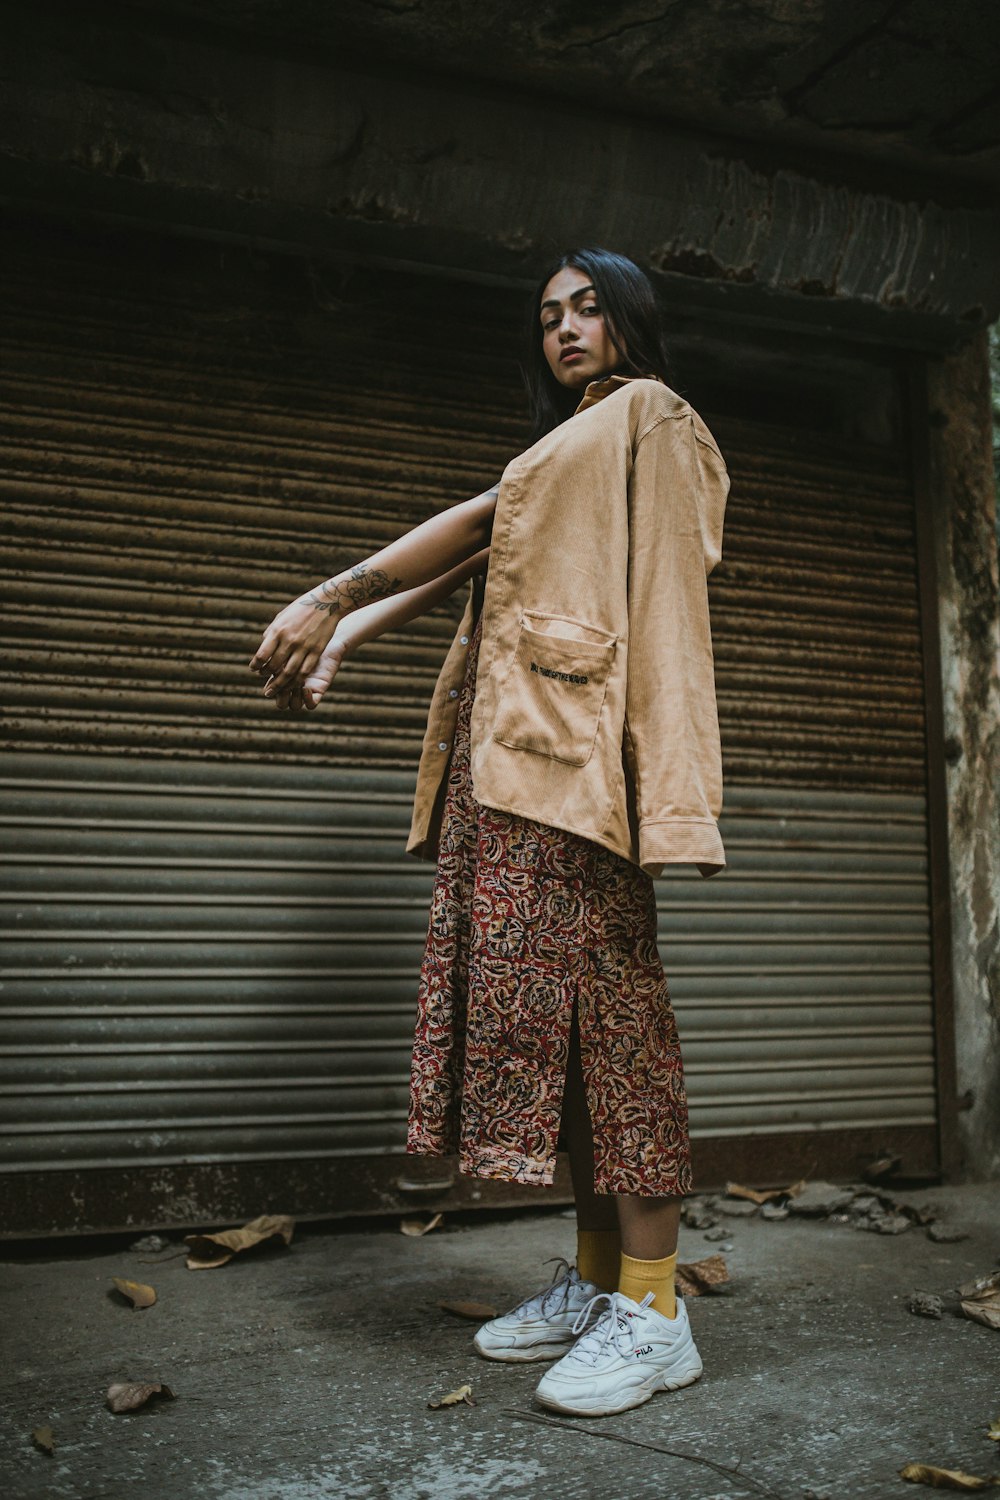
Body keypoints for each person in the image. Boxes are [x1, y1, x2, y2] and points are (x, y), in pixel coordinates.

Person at [249, 247, 731, 1418]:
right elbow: (482, 542)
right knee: (559, 1044)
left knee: (616, 1036)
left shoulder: (651, 419)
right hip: (506, 770)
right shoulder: (559, 445)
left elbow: (670, 597)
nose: (566, 327)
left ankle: (657, 1311)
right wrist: (350, 633)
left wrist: (667, 791)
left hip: (580, 778)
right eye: (550, 315)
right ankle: (605, 1280)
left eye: (589, 308)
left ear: (631, 320)